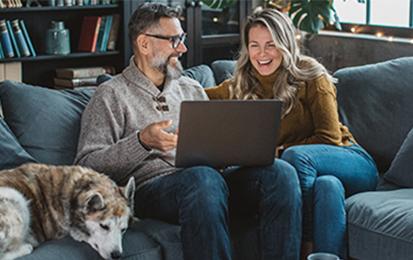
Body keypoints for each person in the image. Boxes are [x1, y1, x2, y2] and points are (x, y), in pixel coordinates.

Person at [74, 3, 302, 260]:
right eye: (174, 40)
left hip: (210, 182)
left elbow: (213, 153)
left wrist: (232, 152)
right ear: (144, 44)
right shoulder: (111, 95)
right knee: (202, 179)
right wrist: (142, 142)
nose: (182, 48)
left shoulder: (191, 88)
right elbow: (86, 165)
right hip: (154, 190)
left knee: (280, 173)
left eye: (181, 38)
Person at [205, 8, 379, 260]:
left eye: (271, 45)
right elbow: (195, 98)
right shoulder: (240, 84)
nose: (262, 54)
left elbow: (330, 138)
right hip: (319, 176)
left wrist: (281, 151)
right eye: (254, 45)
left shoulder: (310, 74)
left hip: (351, 160)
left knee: (296, 157)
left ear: (285, 44)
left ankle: (304, 248)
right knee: (326, 187)